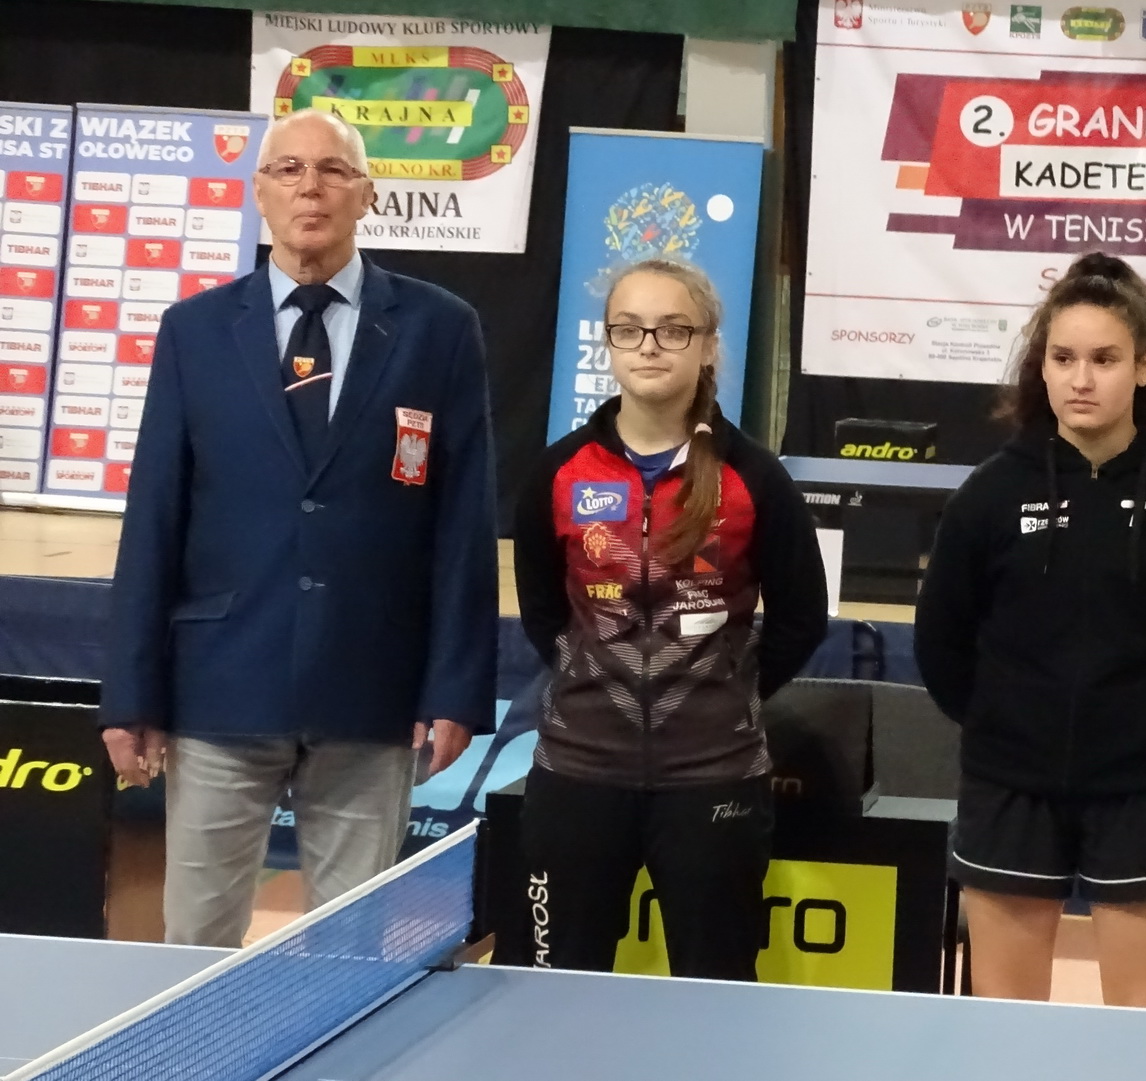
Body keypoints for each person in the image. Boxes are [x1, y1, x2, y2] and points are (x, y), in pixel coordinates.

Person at [101, 109, 498, 947]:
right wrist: (132, 694)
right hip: (221, 683)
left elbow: (463, 523)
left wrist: (455, 686)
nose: (310, 187)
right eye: (288, 170)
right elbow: (154, 517)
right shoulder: (195, 331)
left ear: (368, 195)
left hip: (371, 685)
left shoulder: (439, 328)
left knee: (352, 952)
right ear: (259, 193)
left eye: (332, 170)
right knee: (195, 940)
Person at [914, 251, 1146, 1008]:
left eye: (1105, 359)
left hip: (1144, 789)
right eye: (1064, 358)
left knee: (1144, 1028)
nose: (1081, 379)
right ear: (1042, 367)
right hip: (1009, 787)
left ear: (1144, 366)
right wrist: (1003, 717)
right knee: (1006, 1024)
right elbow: (940, 640)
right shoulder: (990, 493)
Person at [512, 259, 828, 978]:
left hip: (714, 780)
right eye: (629, 329)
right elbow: (542, 611)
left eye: (673, 329)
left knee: (714, 996)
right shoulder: (557, 473)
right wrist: (591, 680)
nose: (649, 345)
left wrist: (728, 689)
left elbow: (802, 617)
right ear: (609, 343)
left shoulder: (756, 477)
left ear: (708, 344)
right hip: (578, 776)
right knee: (556, 994)